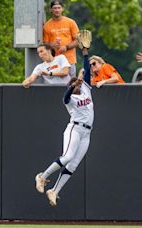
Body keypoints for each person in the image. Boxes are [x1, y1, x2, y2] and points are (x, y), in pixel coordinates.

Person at [34, 32, 93, 207]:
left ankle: (54, 191)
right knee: (67, 157)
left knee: (73, 165)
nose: (78, 85)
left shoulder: (86, 90)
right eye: (74, 84)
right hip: (74, 129)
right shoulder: (70, 99)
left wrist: (85, 51)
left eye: (79, 84)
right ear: (70, 87)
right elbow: (65, 97)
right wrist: (72, 87)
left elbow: (87, 70)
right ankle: (42, 177)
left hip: (87, 133)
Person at [43, 0, 79, 77]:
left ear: (62, 9)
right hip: (54, 62)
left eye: (59, 8)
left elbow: (78, 41)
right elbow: (44, 45)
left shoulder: (70, 22)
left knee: (72, 85)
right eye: (55, 8)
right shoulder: (47, 25)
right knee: (56, 85)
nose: (57, 10)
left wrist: (66, 47)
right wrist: (51, 44)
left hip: (69, 60)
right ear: (51, 10)